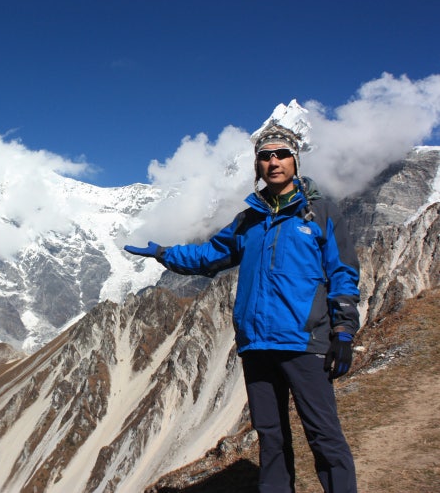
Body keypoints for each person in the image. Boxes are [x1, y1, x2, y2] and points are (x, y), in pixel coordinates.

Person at [124, 123, 360, 493]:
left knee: (324, 435)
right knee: (271, 437)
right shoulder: (249, 221)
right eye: (265, 156)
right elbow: (210, 256)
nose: (273, 162)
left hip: (304, 341)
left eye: (282, 154)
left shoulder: (320, 214)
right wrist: (165, 254)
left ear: (295, 161)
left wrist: (343, 330)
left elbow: (343, 273)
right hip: (257, 345)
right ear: (257, 166)